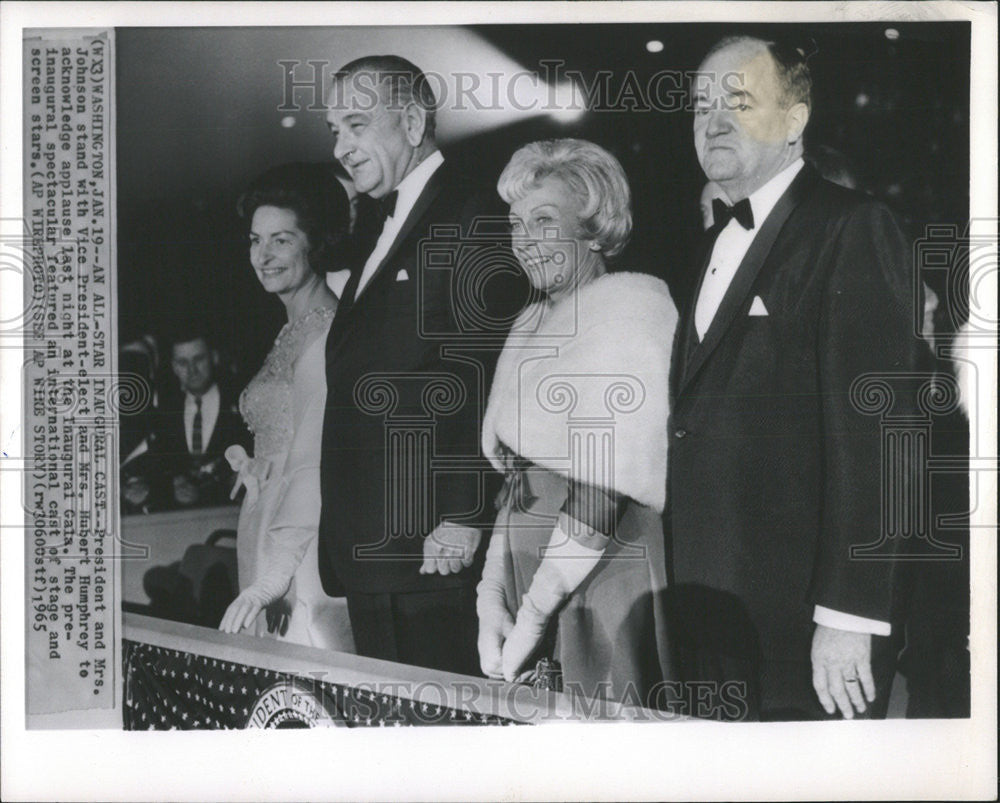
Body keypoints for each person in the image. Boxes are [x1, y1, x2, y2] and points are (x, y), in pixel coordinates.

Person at [667, 36, 926, 720]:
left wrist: (849, 613)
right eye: (701, 105)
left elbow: (880, 436)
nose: (713, 120)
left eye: (740, 102)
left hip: (802, 626)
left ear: (795, 119)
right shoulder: (706, 245)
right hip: (707, 610)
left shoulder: (853, 227)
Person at [319, 55, 527, 674]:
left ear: (412, 122)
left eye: (356, 125)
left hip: (432, 551)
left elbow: (479, 368)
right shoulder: (377, 226)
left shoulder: (472, 213)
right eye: (334, 130)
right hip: (374, 550)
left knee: (446, 746)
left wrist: (464, 514)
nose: (341, 147)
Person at [478, 139, 676, 705]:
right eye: (516, 225)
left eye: (544, 222)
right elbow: (514, 482)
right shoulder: (533, 320)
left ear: (594, 229)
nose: (524, 243)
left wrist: (533, 619)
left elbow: (599, 493)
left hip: (601, 573)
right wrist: (489, 596)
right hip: (532, 576)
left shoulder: (632, 310)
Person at [218, 163, 355, 652]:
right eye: (255, 240)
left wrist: (273, 576)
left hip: (304, 536)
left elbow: (315, 461)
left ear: (314, 243)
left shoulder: (324, 334)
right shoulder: (289, 330)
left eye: (281, 240)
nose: (263, 256)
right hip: (264, 522)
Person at [145, 330, 249, 510]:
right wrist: (173, 486)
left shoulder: (241, 402)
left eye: (199, 359)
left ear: (214, 358)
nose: (192, 370)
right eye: (183, 363)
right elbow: (156, 469)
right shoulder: (163, 411)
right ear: (174, 366)